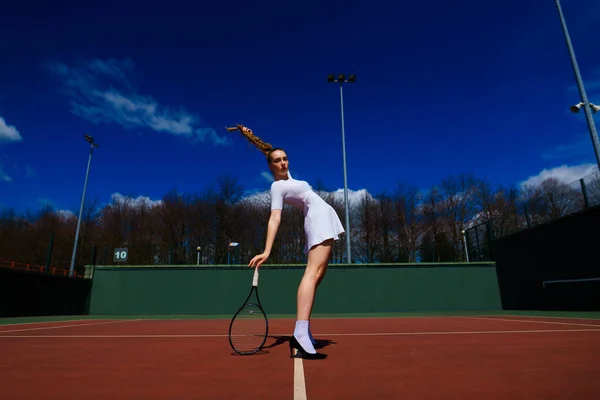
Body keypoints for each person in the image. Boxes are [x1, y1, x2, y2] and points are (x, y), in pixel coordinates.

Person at [227, 124, 345, 360]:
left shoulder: (290, 178)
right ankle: (300, 333)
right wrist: (267, 250)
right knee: (312, 273)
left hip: (322, 215)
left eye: (285, 159)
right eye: (278, 161)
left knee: (318, 274)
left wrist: (249, 136)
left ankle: (304, 330)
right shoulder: (277, 186)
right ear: (270, 166)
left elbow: (266, 149)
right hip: (317, 218)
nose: (283, 163)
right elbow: (275, 217)